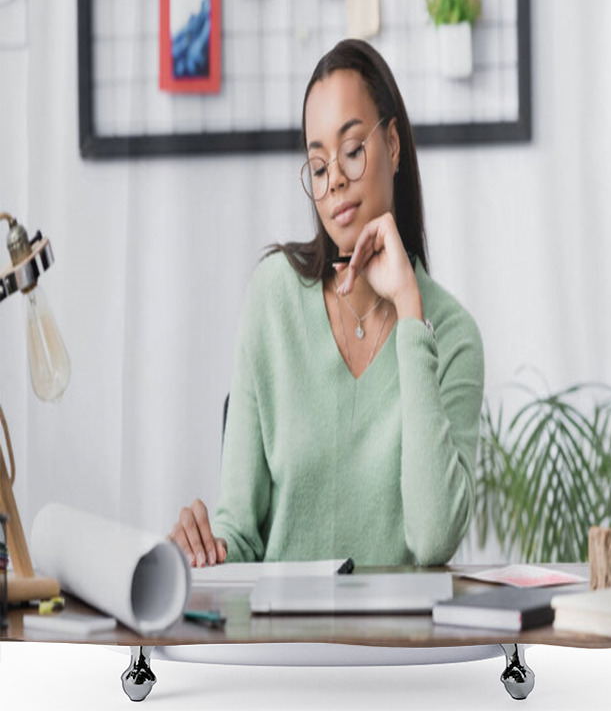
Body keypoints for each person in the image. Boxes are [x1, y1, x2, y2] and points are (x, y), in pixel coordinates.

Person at [168, 38, 484, 568]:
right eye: (318, 166)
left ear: (394, 145)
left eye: (353, 151)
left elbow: (432, 538)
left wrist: (410, 311)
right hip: (281, 644)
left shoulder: (452, 334)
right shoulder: (272, 300)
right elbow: (240, 532)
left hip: (399, 648)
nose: (334, 178)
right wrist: (204, 548)